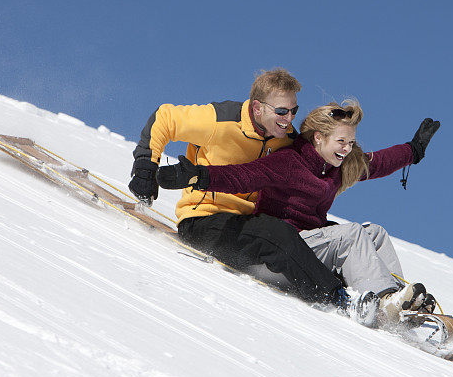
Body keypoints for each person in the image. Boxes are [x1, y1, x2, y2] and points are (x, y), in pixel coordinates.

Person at [155, 100, 441, 326]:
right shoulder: (289, 161)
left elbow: (375, 163)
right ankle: (383, 300)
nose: (347, 149)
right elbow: (243, 176)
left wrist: (412, 151)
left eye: (351, 142)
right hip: (282, 252)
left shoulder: (337, 168)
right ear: (318, 137)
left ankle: (402, 300)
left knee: (375, 233)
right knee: (352, 234)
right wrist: (198, 176)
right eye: (341, 141)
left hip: (312, 243)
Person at [127, 68, 346, 304]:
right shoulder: (220, 120)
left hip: (251, 224)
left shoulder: (287, 138)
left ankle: (356, 283)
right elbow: (165, 118)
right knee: (276, 234)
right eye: (282, 111)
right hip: (204, 222)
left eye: (294, 111)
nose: (289, 119)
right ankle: (333, 297)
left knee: (328, 231)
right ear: (257, 108)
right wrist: (145, 168)